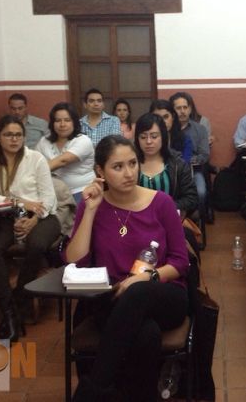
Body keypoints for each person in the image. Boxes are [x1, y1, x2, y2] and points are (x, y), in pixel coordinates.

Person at [65, 136, 189, 401]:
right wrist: (89, 211)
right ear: (100, 171)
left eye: (133, 163)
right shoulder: (92, 206)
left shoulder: (162, 203)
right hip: (111, 299)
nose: (129, 172)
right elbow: (75, 263)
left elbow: (181, 261)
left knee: (138, 292)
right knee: (147, 335)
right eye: (118, 167)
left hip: (164, 293)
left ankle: (92, 391)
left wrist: (147, 277)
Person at [0, 115, 60, 341]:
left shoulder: (36, 159)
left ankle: (18, 299)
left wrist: (33, 219)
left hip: (43, 217)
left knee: (36, 244)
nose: (14, 139)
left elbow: (48, 198)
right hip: (8, 217)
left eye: (18, 134)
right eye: (8, 134)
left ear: (24, 137)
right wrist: (19, 203)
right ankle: (9, 311)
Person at [134, 113, 198, 218]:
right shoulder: (130, 164)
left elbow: (191, 198)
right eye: (143, 137)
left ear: (163, 137)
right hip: (137, 220)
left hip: (169, 219)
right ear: (137, 139)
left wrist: (164, 208)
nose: (149, 141)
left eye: (154, 136)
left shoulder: (178, 164)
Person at [36, 102, 95, 203]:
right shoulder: (44, 141)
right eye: (58, 120)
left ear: (74, 122)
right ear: (52, 123)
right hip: (52, 192)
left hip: (81, 191)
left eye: (67, 120)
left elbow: (62, 161)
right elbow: (35, 162)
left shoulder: (83, 140)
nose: (62, 124)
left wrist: (30, 173)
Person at [170, 92, 210, 215]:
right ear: (172, 111)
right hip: (170, 170)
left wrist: (186, 161)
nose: (182, 111)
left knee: (201, 193)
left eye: (185, 107)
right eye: (178, 108)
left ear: (190, 109)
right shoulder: (167, 129)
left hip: (193, 171)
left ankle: (192, 219)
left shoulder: (200, 129)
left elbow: (204, 155)